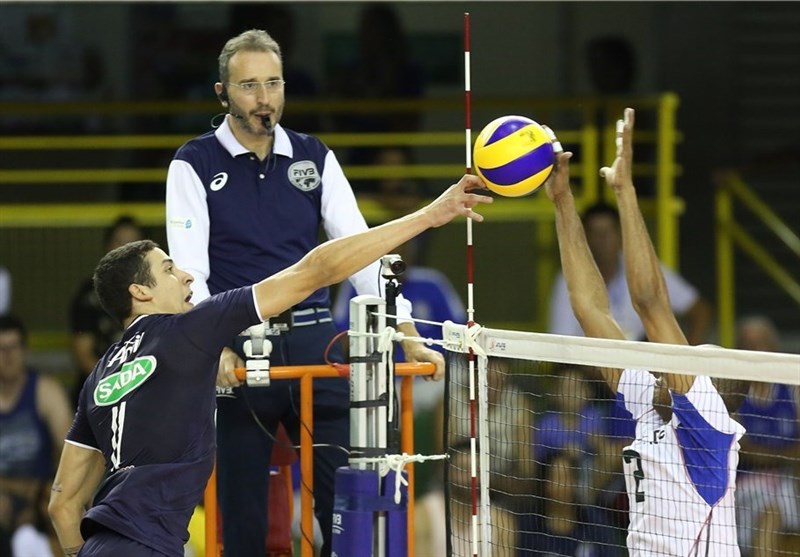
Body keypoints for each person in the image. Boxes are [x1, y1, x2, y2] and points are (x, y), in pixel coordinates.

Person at [48, 178, 488, 556]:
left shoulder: (99, 376)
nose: (186, 276)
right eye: (168, 270)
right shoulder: (189, 329)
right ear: (140, 293)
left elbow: (63, 504)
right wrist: (429, 215)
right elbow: (316, 269)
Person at [164, 28, 448, 557]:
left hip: (316, 341)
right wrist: (214, 346)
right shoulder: (192, 162)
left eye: (273, 83)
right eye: (249, 85)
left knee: (345, 502)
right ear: (222, 93)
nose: (263, 98)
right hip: (238, 348)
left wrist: (407, 332)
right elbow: (188, 272)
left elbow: (360, 251)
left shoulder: (314, 156)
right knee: (243, 518)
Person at [546, 107, 747, 555]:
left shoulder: (708, 421)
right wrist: (562, 201)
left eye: (693, 361)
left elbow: (651, 303)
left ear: (710, 391)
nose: (677, 360)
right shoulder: (652, 405)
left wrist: (626, 191)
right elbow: (590, 309)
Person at [548, 200, 712, 344]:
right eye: (596, 232)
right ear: (585, 238)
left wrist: (685, 361)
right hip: (591, 364)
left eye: (608, 231)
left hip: (642, 364)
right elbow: (563, 341)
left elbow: (700, 311)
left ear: (620, 234)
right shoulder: (569, 279)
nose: (603, 239)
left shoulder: (643, 268)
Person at [0, 315, 72, 557]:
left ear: (25, 351)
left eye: (13, 347)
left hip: (39, 492)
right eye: (1, 349)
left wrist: (48, 491)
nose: (8, 356)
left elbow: (72, 454)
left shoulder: (45, 391)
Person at [733, 315, 800, 557]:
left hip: (788, 482)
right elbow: (742, 448)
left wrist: (768, 455)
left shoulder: (793, 389)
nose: (756, 351)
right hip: (746, 486)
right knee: (771, 514)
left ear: (774, 347)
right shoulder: (733, 394)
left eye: (761, 343)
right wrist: (786, 454)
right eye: (749, 345)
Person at [68, 216, 146, 407]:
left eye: (133, 243)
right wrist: (115, 389)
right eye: (119, 242)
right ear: (107, 247)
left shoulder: (157, 292)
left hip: (149, 390)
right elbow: (84, 354)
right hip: (100, 391)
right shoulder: (89, 295)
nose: (126, 250)